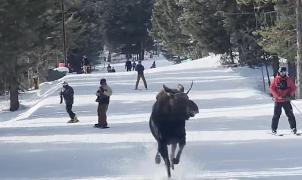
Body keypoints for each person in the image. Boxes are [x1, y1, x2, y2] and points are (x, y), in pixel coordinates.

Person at [270, 67, 297, 135]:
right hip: (278, 101)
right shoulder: (276, 80)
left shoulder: (288, 80)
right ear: (279, 72)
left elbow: (293, 88)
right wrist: (277, 96)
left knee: (290, 115)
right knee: (276, 115)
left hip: (286, 100)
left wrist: (289, 94)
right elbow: (272, 89)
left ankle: (293, 128)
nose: (283, 73)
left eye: (284, 72)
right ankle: (274, 129)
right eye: (282, 72)